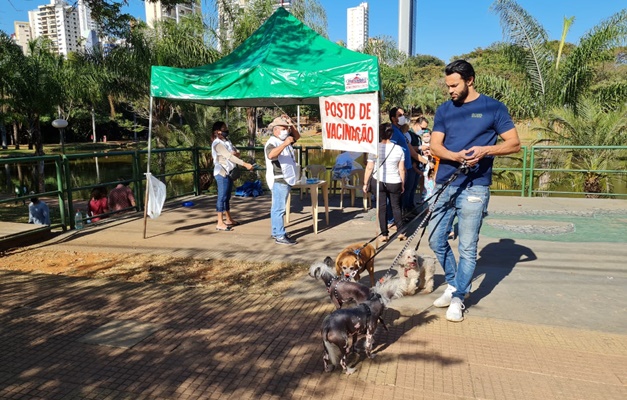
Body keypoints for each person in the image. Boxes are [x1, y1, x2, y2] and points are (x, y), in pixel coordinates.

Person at [428, 59, 521, 322]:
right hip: (445, 183)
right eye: (447, 86)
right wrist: (455, 157)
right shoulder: (445, 109)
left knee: (468, 248)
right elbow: (436, 146)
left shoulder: (493, 107)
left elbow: (514, 143)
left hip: (475, 187)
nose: (450, 91)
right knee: (435, 239)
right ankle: (454, 283)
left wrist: (485, 150)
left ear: (470, 80)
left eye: (454, 85)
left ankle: (458, 297)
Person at [363, 123, 407, 242]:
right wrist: (402, 183)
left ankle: (384, 234)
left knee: (381, 207)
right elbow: (401, 169)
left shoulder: (374, 149)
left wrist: (365, 183)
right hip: (395, 180)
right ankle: (400, 231)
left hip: (379, 180)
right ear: (391, 134)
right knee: (396, 206)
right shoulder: (398, 149)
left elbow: (369, 167)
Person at [264, 114, 301, 245]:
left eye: (287, 128)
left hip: (287, 178)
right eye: (284, 128)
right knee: (278, 209)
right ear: (275, 130)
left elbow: (297, 136)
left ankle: (277, 231)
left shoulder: (285, 139)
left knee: (278, 208)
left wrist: (291, 123)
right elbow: (271, 155)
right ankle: (279, 235)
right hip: (279, 179)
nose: (287, 130)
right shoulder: (272, 142)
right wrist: (285, 144)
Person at [211, 121, 254, 231]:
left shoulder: (227, 141)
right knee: (222, 197)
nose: (226, 131)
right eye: (223, 128)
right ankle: (220, 222)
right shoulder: (217, 143)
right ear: (217, 131)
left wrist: (234, 154)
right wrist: (245, 164)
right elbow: (230, 156)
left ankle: (228, 219)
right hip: (222, 173)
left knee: (227, 197)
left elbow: (235, 152)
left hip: (229, 172)